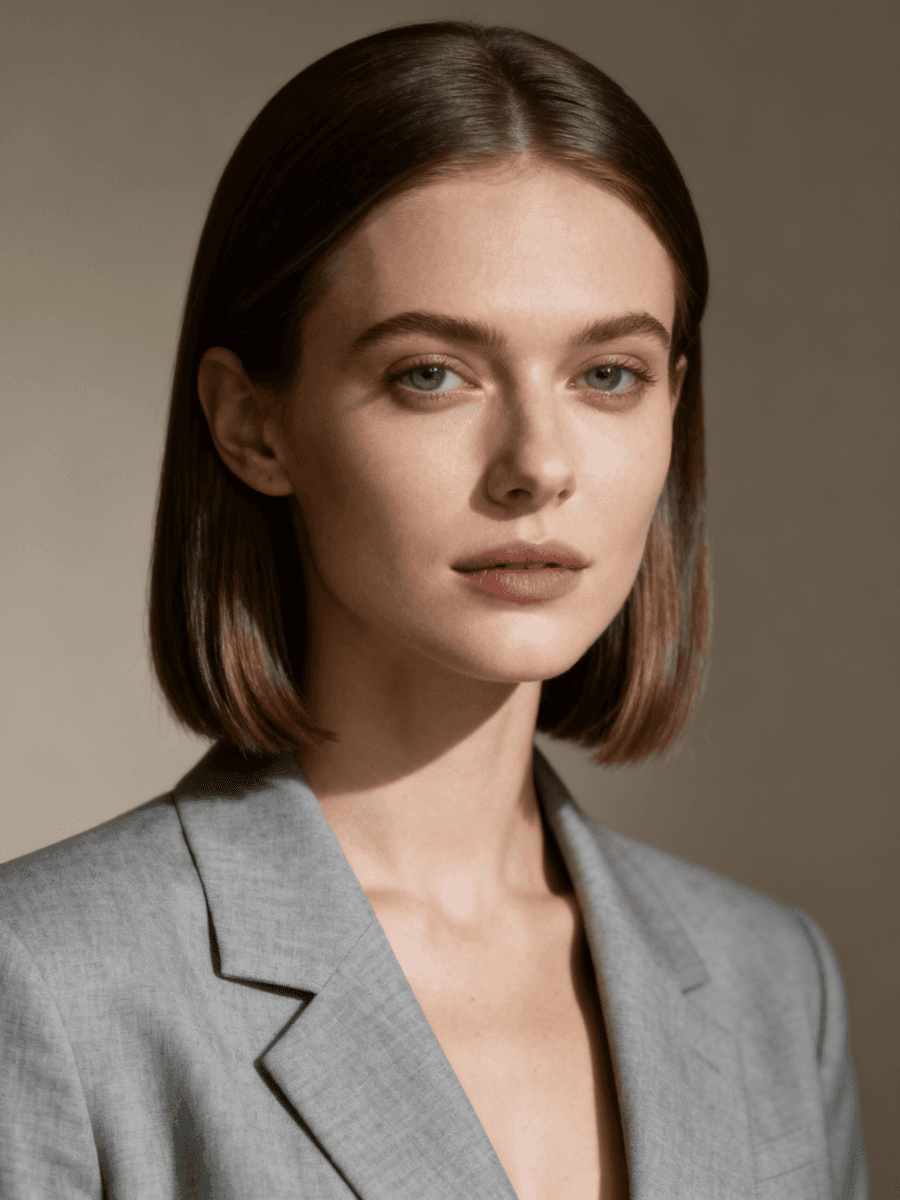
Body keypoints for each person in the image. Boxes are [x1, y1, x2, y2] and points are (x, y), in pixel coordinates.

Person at [0, 20, 866, 1199]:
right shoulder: (46, 984)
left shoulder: (774, 982)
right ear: (252, 423)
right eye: (432, 374)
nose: (536, 466)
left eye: (607, 374)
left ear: (674, 407)